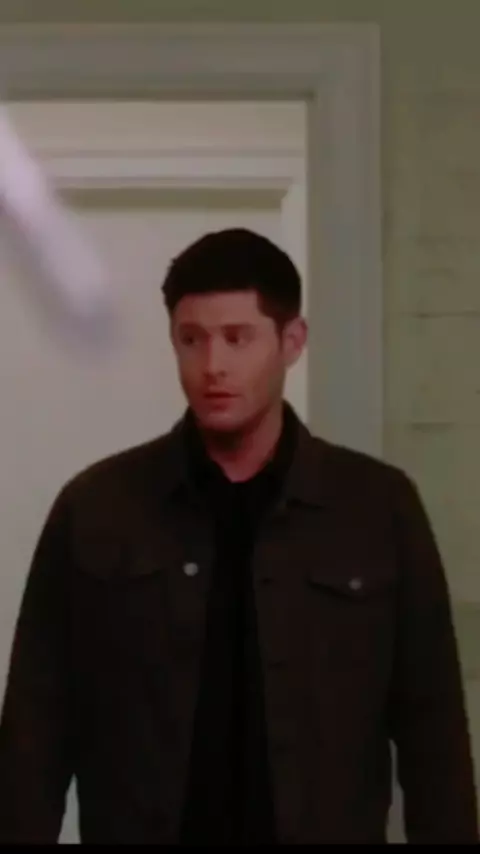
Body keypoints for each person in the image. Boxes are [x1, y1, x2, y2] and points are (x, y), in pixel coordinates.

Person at [0, 228, 477, 845]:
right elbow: (35, 729)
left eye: (237, 337)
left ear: (292, 341)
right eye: (191, 339)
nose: (212, 366)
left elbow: (433, 731)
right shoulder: (98, 508)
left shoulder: (377, 508)